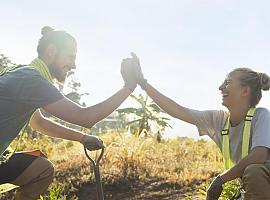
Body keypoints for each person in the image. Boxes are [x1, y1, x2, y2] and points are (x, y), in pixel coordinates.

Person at [0, 26, 137, 200]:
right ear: (51, 51)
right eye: (70, 57)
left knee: (42, 169)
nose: (73, 65)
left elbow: (38, 123)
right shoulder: (31, 80)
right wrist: (129, 87)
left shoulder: (22, 74)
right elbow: (85, 117)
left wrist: (82, 138)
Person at [121, 53, 270, 200]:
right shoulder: (218, 120)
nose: (220, 87)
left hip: (262, 182)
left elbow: (259, 156)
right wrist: (143, 84)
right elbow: (178, 111)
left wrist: (220, 180)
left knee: (254, 171)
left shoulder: (261, 116)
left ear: (245, 91)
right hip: (252, 190)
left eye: (228, 83)